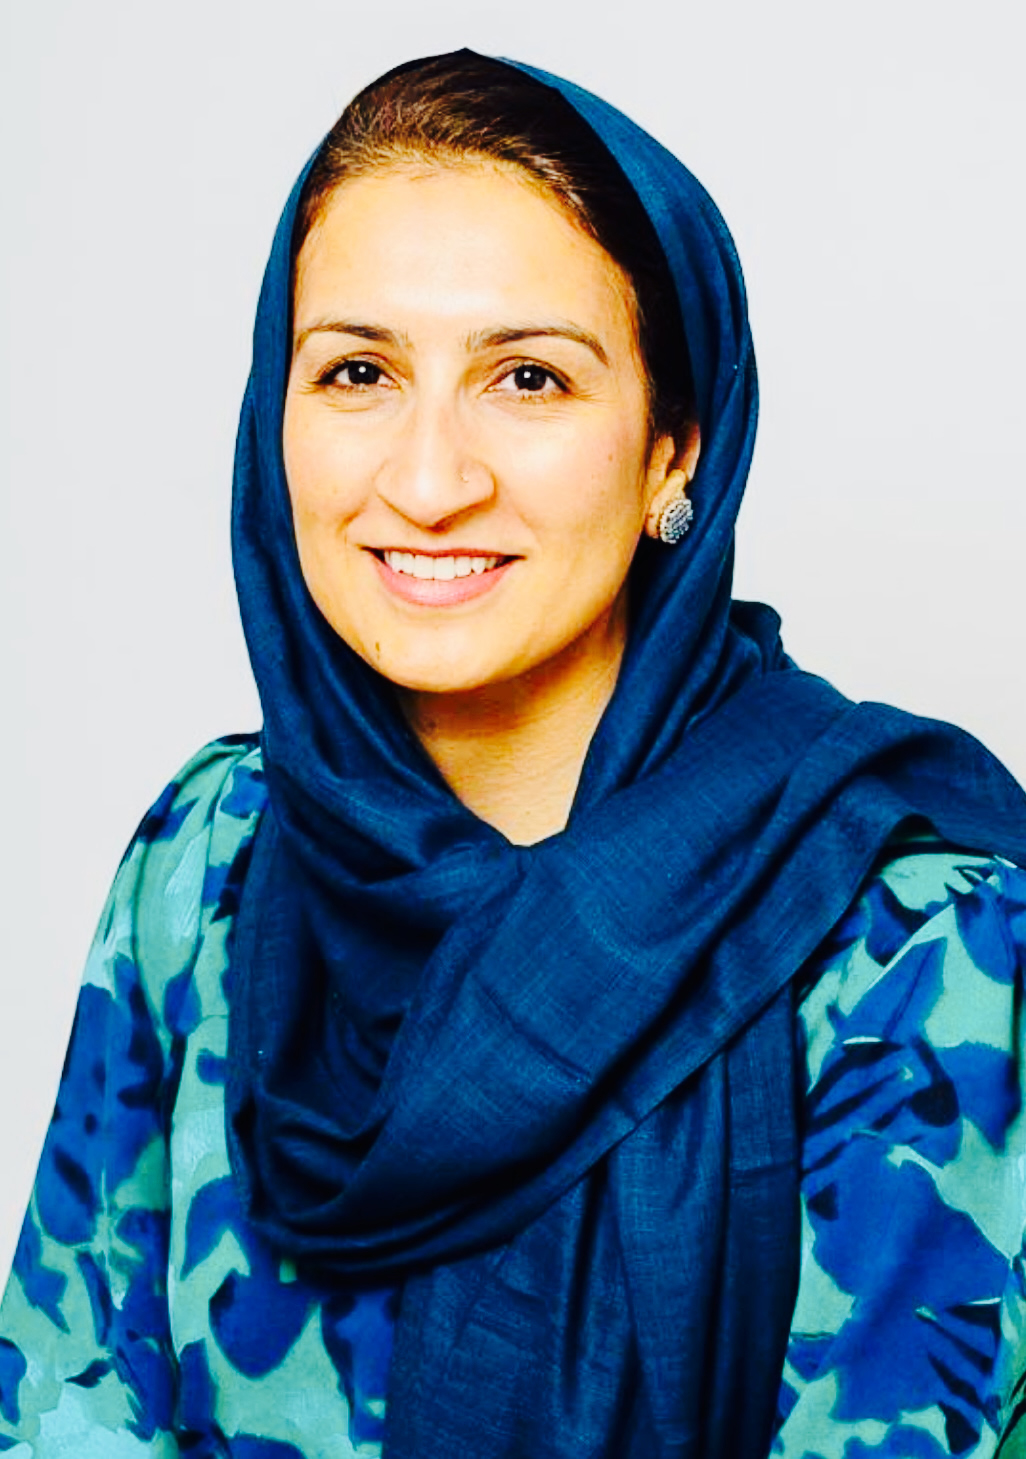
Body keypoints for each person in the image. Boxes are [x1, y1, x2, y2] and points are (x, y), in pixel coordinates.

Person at [1, 47, 1026, 1459]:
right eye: (358, 371)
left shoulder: (921, 942)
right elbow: (61, 1404)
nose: (428, 482)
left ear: (674, 450)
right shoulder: (210, 857)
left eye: (528, 379)